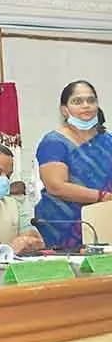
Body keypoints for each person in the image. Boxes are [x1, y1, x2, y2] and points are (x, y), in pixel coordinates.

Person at [35, 80, 112, 250]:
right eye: (77, 101)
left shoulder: (108, 141)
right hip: (63, 226)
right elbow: (56, 186)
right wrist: (103, 197)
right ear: (64, 110)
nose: (86, 105)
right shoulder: (54, 142)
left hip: (105, 221)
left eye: (91, 100)